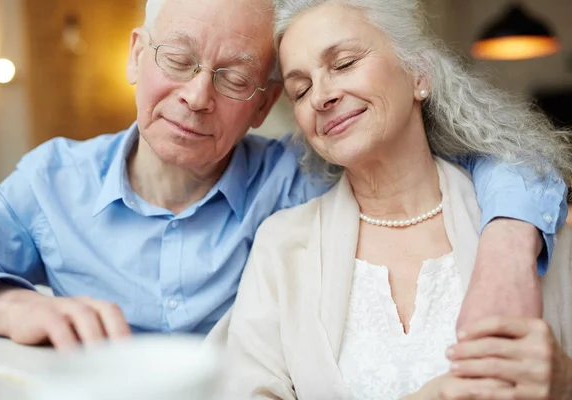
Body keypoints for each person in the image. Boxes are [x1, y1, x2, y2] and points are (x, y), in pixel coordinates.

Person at [0, 0, 567, 350]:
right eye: (177, 61)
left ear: (263, 105)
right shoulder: (50, 183)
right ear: (134, 55)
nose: (197, 97)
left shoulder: (300, 176)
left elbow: (489, 155)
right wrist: (5, 304)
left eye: (233, 78)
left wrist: (508, 249)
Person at [211, 0, 572, 398]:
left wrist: (564, 382)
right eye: (301, 89)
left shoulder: (524, 229)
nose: (321, 97)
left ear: (419, 73)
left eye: (345, 63)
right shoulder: (280, 246)